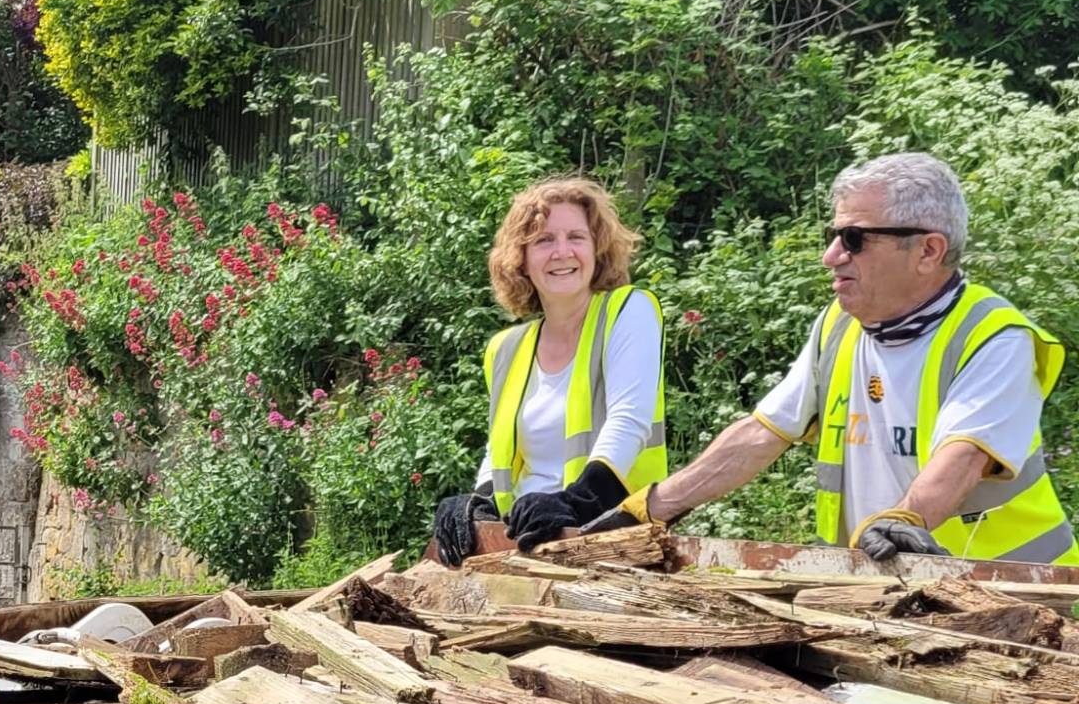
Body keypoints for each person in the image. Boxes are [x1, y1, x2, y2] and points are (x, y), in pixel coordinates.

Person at [582, 152, 1076, 564]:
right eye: (833, 235)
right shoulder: (840, 325)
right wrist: (650, 508)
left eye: (855, 239)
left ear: (928, 250)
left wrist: (906, 518)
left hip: (1017, 597)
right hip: (890, 590)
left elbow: (964, 456)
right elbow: (763, 432)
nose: (832, 255)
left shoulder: (994, 337)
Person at [431, 176, 667, 566]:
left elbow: (629, 422)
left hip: (614, 536)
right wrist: (478, 503)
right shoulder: (506, 349)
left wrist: (576, 504)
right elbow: (501, 453)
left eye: (576, 237)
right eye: (543, 240)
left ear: (597, 249)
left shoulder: (628, 311)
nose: (562, 252)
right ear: (520, 259)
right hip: (525, 538)